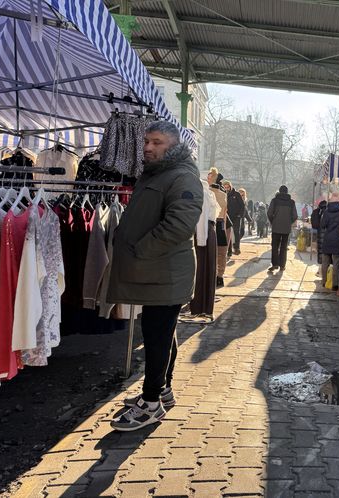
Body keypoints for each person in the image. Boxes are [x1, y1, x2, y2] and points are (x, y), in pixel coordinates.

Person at [107, 121, 204, 431]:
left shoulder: (183, 177)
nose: (148, 147)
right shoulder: (160, 173)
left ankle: (151, 405)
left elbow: (179, 226)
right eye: (147, 141)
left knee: (157, 335)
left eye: (157, 142)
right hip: (157, 272)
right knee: (162, 332)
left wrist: (139, 249)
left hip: (164, 272)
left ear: (173, 146)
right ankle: (163, 390)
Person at [191, 174, 219, 322]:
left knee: (201, 270)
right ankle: (205, 307)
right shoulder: (209, 194)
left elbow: (202, 217)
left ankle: (199, 307)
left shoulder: (203, 194)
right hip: (208, 233)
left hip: (204, 234)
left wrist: (201, 239)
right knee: (206, 271)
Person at [267, 185, 298, 272]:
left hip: (276, 227)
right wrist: (289, 222)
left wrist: (273, 221)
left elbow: (269, 213)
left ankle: (275, 264)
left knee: (274, 246)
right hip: (286, 228)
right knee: (284, 247)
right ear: (287, 192)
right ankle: (282, 266)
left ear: (279, 191)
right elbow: (295, 216)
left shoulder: (274, 201)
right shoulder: (291, 202)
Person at [320, 191, 339, 290]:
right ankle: (335, 284)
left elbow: (322, 225)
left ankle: (324, 281)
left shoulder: (327, 210)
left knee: (325, 262)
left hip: (328, 239)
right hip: (338, 239)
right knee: (336, 264)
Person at [208, 169, 228, 288]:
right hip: (220, 224)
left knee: (209, 253)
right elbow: (225, 214)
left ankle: (210, 275)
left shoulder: (207, 192)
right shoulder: (224, 194)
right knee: (221, 253)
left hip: (209, 224)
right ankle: (220, 276)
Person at [223, 180, 246, 257]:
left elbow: (242, 206)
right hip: (227, 217)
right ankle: (229, 251)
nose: (226, 189)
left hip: (236, 217)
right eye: (225, 187)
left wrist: (240, 215)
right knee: (228, 234)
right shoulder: (223, 194)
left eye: (228, 187)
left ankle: (237, 248)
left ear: (230, 186)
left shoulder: (236, 194)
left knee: (236, 233)